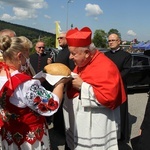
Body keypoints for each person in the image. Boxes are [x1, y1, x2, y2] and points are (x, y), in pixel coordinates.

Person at [0, 35, 69, 150]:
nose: (28, 59)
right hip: (28, 140)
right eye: (27, 55)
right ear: (19, 56)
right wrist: (61, 83)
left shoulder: (3, 73)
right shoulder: (24, 84)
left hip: (9, 135)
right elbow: (51, 105)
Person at [63, 27, 126, 150]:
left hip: (96, 128)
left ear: (87, 53)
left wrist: (82, 86)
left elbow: (109, 97)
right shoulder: (82, 63)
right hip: (81, 127)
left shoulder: (106, 66)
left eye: (73, 53)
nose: (70, 57)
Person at [105, 33, 132, 142]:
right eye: (109, 40)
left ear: (119, 41)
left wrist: (113, 79)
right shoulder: (105, 55)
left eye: (113, 40)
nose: (111, 42)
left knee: (121, 111)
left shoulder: (126, 55)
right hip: (107, 88)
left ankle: (121, 136)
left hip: (120, 87)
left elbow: (126, 70)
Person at [53, 32, 75, 135]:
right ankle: (57, 127)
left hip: (65, 86)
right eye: (58, 38)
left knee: (63, 109)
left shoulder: (70, 52)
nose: (59, 39)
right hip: (58, 84)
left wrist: (67, 85)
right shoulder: (61, 51)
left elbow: (71, 70)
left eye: (61, 38)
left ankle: (63, 130)